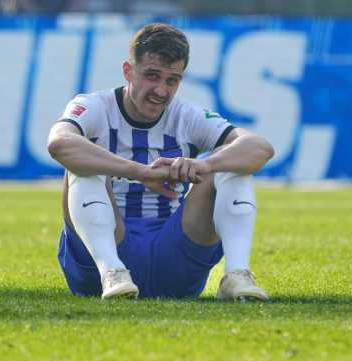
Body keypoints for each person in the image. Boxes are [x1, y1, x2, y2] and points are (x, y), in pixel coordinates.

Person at [47, 23, 274, 300]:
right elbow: (59, 144)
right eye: (152, 76)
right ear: (128, 71)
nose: (161, 91)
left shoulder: (188, 115)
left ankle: (236, 276)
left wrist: (205, 165)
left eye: (172, 80)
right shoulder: (94, 106)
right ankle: (112, 272)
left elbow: (260, 148)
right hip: (101, 261)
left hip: (174, 263)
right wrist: (139, 171)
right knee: (82, 166)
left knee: (230, 165)